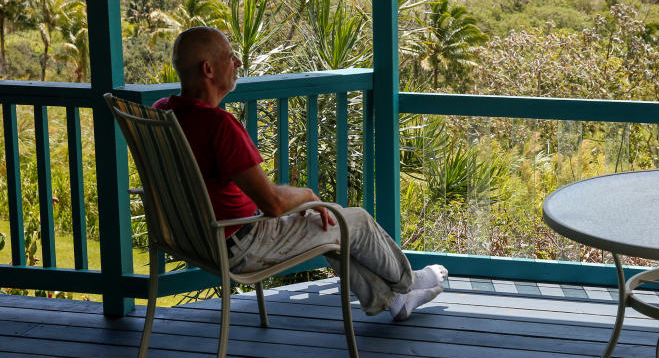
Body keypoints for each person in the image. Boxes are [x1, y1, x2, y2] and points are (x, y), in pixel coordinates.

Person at [155, 26, 445, 320]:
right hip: (242, 243)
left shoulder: (162, 112)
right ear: (208, 69)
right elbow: (273, 204)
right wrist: (307, 195)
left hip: (194, 241)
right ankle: (409, 283)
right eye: (230, 57)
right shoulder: (218, 125)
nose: (238, 64)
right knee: (355, 220)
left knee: (328, 219)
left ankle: (394, 301)